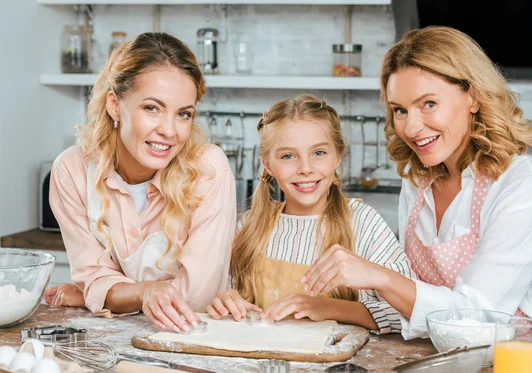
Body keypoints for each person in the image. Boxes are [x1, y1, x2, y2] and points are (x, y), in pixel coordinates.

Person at [303, 26, 532, 342]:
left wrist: (379, 277)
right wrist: (331, 305)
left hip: (511, 371)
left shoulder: (524, 185)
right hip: (432, 359)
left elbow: (475, 321)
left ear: (472, 95)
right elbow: (410, 304)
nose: (412, 127)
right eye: (400, 110)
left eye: (428, 104)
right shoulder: (418, 182)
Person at [43, 32, 236, 333]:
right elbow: (96, 280)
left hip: (197, 338)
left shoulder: (208, 170)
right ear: (115, 106)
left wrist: (98, 296)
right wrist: (131, 292)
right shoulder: (72, 171)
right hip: (115, 341)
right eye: (152, 108)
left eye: (183, 114)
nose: (169, 131)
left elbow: (199, 295)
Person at [206, 94, 415, 332]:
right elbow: (223, 296)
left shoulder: (364, 223)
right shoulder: (249, 227)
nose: (305, 168)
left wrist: (326, 308)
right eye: (288, 156)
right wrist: (226, 302)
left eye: (318, 153)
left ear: (337, 156)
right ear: (267, 164)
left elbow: (410, 315)